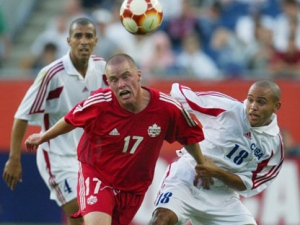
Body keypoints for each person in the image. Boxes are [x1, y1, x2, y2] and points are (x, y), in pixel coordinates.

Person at [24, 53, 207, 225]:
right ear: (108, 83)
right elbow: (70, 119)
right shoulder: (100, 103)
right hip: (97, 175)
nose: (121, 84)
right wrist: (43, 137)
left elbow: (188, 135)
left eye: (126, 76)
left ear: (138, 76)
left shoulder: (166, 108)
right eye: (114, 80)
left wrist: (201, 164)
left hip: (134, 186)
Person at [2, 17, 107, 225]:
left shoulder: (103, 69)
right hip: (56, 156)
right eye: (78, 36)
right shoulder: (52, 74)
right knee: (78, 210)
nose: (83, 41)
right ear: (68, 40)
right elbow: (22, 115)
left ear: (96, 40)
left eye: (88, 36)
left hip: (89, 158)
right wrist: (14, 158)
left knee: (95, 217)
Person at [149, 80, 284, 225]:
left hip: (221, 195)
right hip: (185, 179)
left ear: (276, 106)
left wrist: (215, 172)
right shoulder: (227, 108)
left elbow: (248, 184)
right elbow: (178, 94)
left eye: (261, 102)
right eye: (250, 99)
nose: (253, 107)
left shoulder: (274, 147)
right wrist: (190, 136)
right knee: (161, 220)